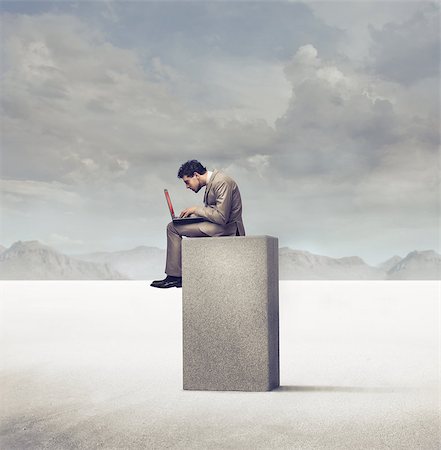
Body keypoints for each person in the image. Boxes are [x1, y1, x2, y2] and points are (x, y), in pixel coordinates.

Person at [151, 160, 245, 288]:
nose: (187, 186)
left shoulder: (221, 182)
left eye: (187, 182)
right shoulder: (213, 183)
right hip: (218, 226)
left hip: (228, 229)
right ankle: (176, 275)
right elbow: (213, 211)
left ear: (196, 175)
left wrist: (196, 210)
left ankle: (175, 277)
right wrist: (192, 217)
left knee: (172, 228)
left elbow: (221, 216)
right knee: (175, 226)